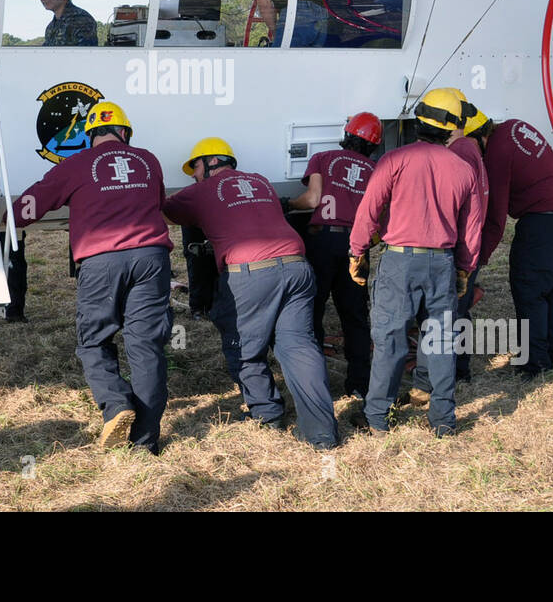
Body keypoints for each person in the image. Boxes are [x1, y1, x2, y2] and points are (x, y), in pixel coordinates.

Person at [12, 101, 173, 452]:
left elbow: (32, 205)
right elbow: (158, 202)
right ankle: (145, 443)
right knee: (146, 346)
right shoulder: (149, 160)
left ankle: (116, 405)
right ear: (124, 132)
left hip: (101, 261)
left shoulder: (76, 163)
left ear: (90, 136)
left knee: (94, 342)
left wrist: (6, 221)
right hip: (152, 257)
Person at [164, 138, 339, 449]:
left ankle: (267, 414)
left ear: (211, 162)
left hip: (250, 272)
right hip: (297, 267)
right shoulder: (260, 182)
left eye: (195, 167)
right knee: (299, 347)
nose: (193, 174)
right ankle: (322, 433)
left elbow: (162, 212)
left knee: (242, 345)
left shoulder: (200, 191)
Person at [350, 88, 482, 437]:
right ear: (453, 126)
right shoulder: (464, 169)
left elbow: (369, 210)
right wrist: (464, 268)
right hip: (441, 263)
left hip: (398, 263)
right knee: (440, 342)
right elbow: (472, 228)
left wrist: (357, 251)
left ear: (419, 119)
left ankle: (378, 419)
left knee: (390, 340)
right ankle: (443, 421)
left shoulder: (394, 160)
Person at [476, 112, 553, 379]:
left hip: (540, 222)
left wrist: (479, 259)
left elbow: (495, 218)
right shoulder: (515, 126)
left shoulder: (496, 152)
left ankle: (536, 364)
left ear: (478, 137)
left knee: (529, 292)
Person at [288, 111, 381, 398]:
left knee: (312, 311)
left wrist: (288, 204)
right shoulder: (376, 169)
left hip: (322, 241)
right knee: (355, 316)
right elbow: (381, 216)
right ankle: (359, 384)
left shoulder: (324, 158)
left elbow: (312, 200)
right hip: (356, 245)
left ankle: (315, 383)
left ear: (347, 135)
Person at [409, 92, 489, 399]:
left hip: (454, 247)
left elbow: (462, 206)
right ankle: (458, 370)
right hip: (464, 245)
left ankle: (441, 378)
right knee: (456, 311)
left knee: (442, 317)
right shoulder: (468, 148)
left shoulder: (461, 150)